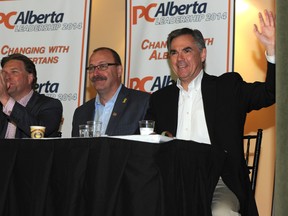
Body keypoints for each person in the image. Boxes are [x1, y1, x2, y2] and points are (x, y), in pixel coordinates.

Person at [145, 10, 275, 216]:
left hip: (219, 181)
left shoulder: (227, 87)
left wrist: (272, 51)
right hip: (173, 183)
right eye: (174, 52)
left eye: (187, 50)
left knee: (222, 213)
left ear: (202, 54)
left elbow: (270, 93)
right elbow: (146, 135)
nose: (180, 58)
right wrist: (162, 138)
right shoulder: (160, 99)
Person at [72, 47, 150, 136]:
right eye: (92, 68)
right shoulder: (81, 113)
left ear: (119, 71)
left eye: (102, 66)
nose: (96, 73)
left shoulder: (142, 103)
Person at [0, 53, 63, 138]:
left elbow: (39, 132)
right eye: (4, 73)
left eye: (14, 72)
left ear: (30, 78)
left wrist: (5, 98)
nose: (7, 77)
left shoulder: (50, 105)